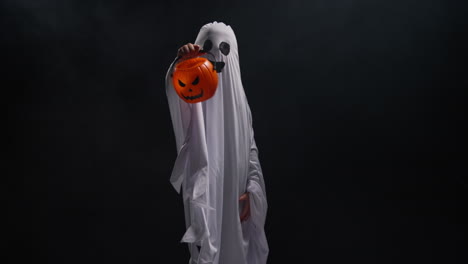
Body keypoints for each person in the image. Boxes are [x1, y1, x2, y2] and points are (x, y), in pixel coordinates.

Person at [165, 21, 268, 264]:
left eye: (225, 47)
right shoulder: (196, 102)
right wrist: (181, 65)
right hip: (209, 192)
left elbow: (251, 150)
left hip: (236, 196)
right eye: (208, 46)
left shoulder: (241, 106)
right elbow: (178, 90)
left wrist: (253, 191)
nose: (217, 54)